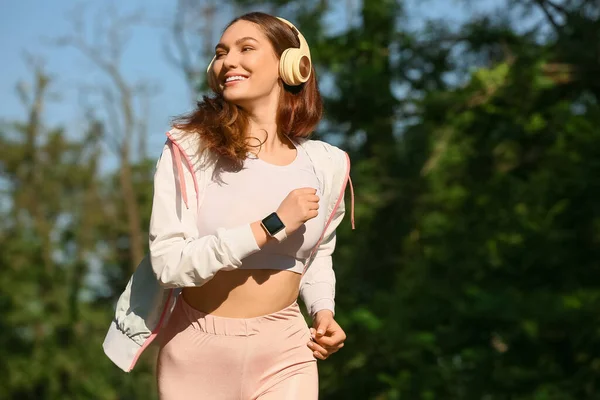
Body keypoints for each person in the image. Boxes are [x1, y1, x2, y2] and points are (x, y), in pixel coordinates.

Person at [102, 11, 355, 400]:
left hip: (286, 350)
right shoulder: (188, 150)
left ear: (290, 65)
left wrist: (323, 311)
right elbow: (169, 264)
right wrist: (271, 224)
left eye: (246, 49)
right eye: (221, 53)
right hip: (197, 352)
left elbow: (317, 251)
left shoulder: (326, 163)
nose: (228, 61)